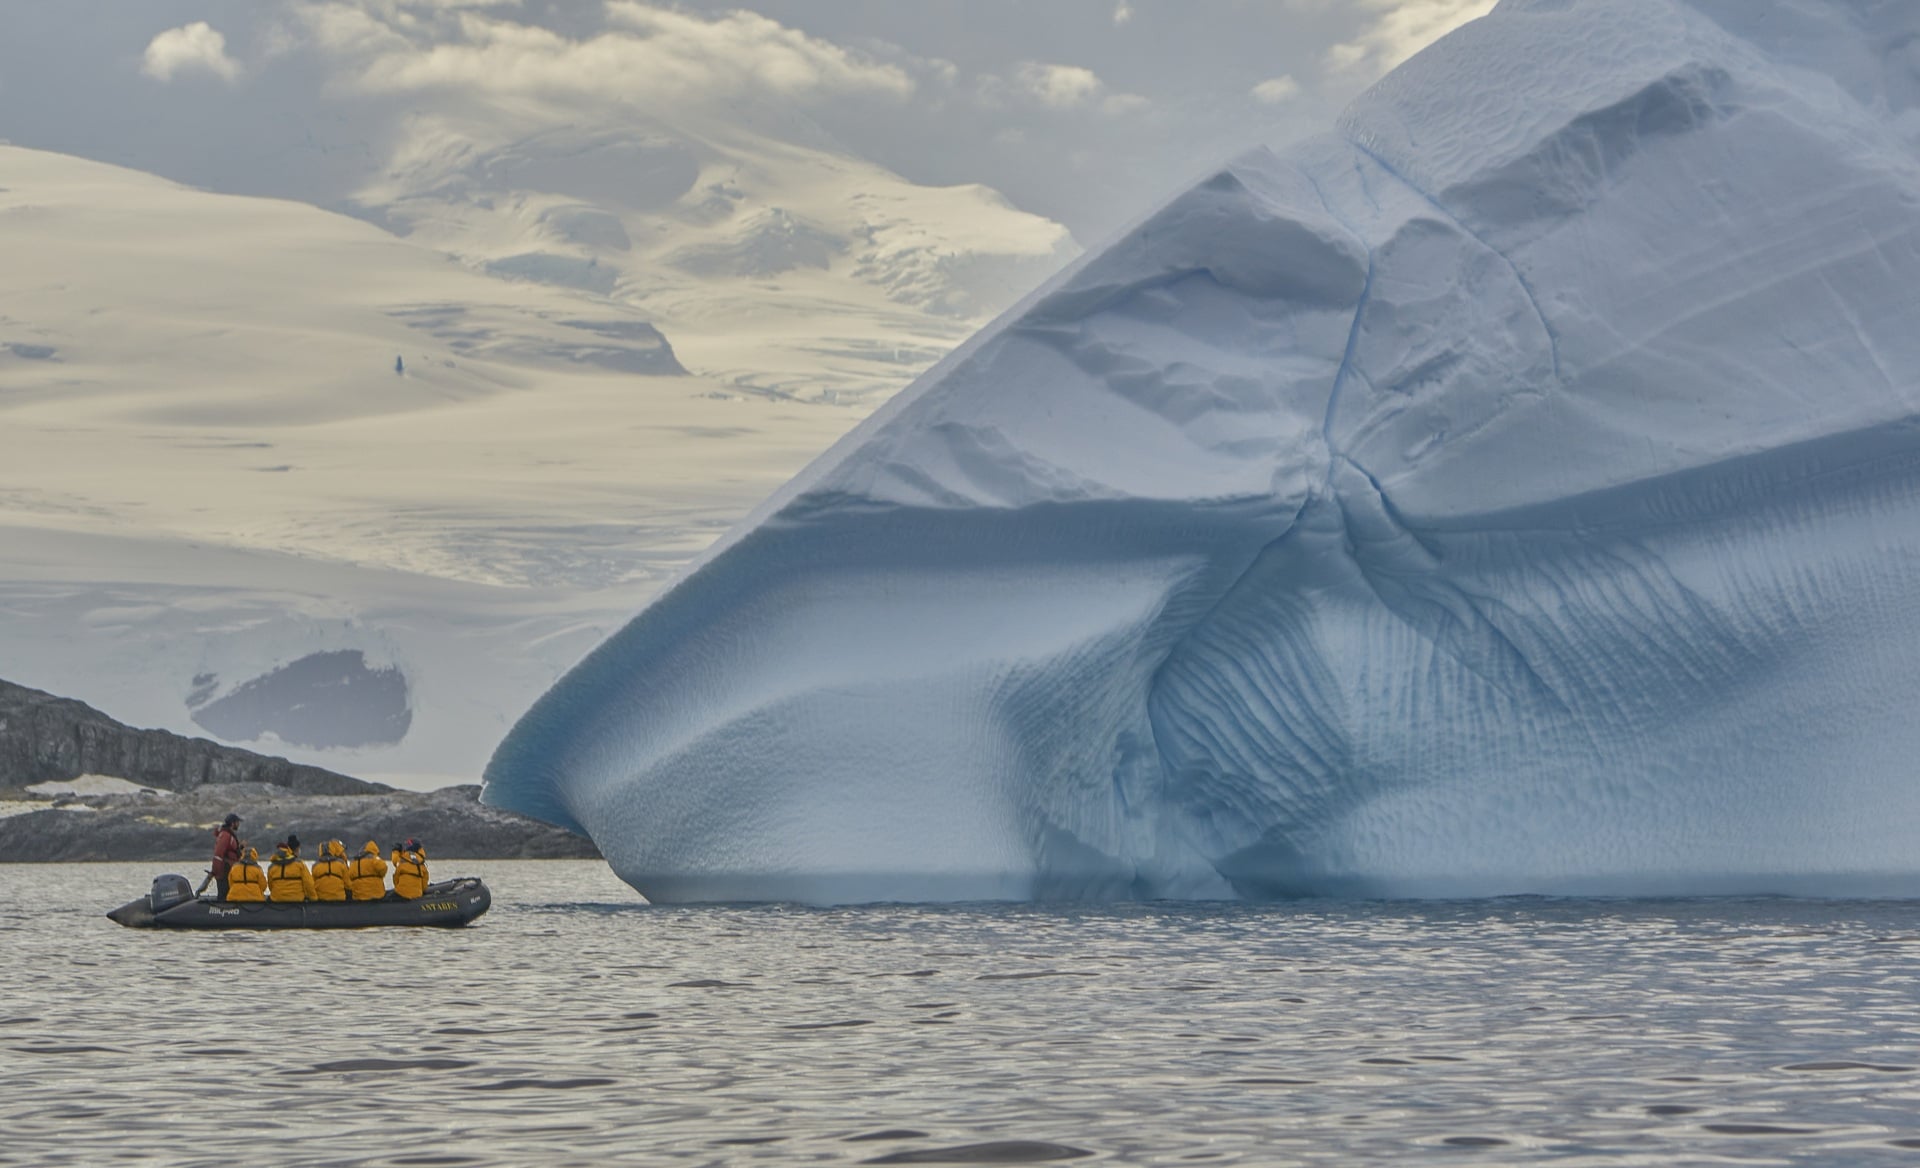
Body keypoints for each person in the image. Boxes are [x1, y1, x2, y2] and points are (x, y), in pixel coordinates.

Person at [203, 813, 242, 899]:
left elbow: (231, 851)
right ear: (233, 823)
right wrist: (216, 871)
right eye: (237, 822)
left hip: (228, 869)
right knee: (224, 894)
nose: (239, 824)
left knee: (228, 893)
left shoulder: (228, 835)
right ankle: (222, 910)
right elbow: (218, 853)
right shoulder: (225, 835)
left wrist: (240, 848)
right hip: (224, 870)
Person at [267, 835, 316, 902]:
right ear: (297, 849)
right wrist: (314, 899)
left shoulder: (272, 866)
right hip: (297, 899)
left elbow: (270, 886)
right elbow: (308, 883)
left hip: (277, 899)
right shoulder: (299, 864)